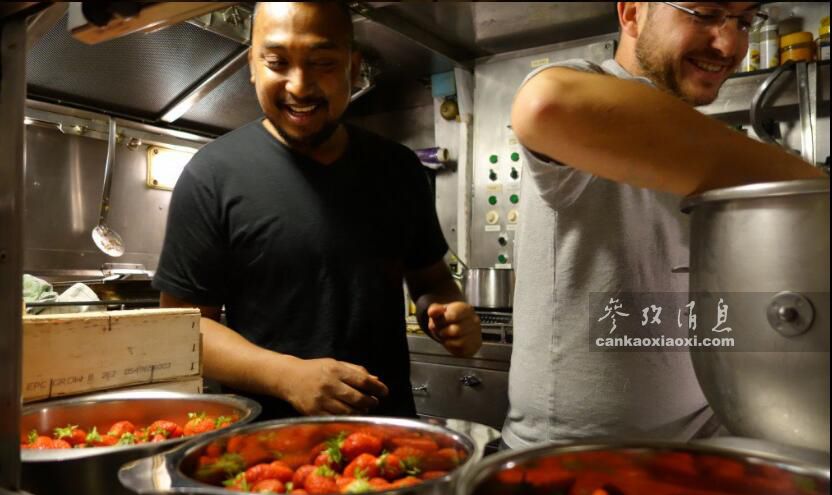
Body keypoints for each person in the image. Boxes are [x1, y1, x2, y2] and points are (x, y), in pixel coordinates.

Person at [503, 2, 826, 448]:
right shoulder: (594, 87)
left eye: (745, 21)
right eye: (705, 12)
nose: (729, 43)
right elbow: (548, 105)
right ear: (633, 12)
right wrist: (814, 191)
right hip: (575, 458)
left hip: (701, 443)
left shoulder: (698, 143)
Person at [153, 1, 481, 420]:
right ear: (252, 65)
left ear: (353, 66)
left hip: (388, 435)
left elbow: (431, 281)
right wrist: (286, 376)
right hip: (264, 452)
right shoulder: (211, 176)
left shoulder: (399, 170)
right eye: (276, 62)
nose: (300, 85)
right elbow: (182, 326)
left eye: (323, 62)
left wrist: (448, 313)